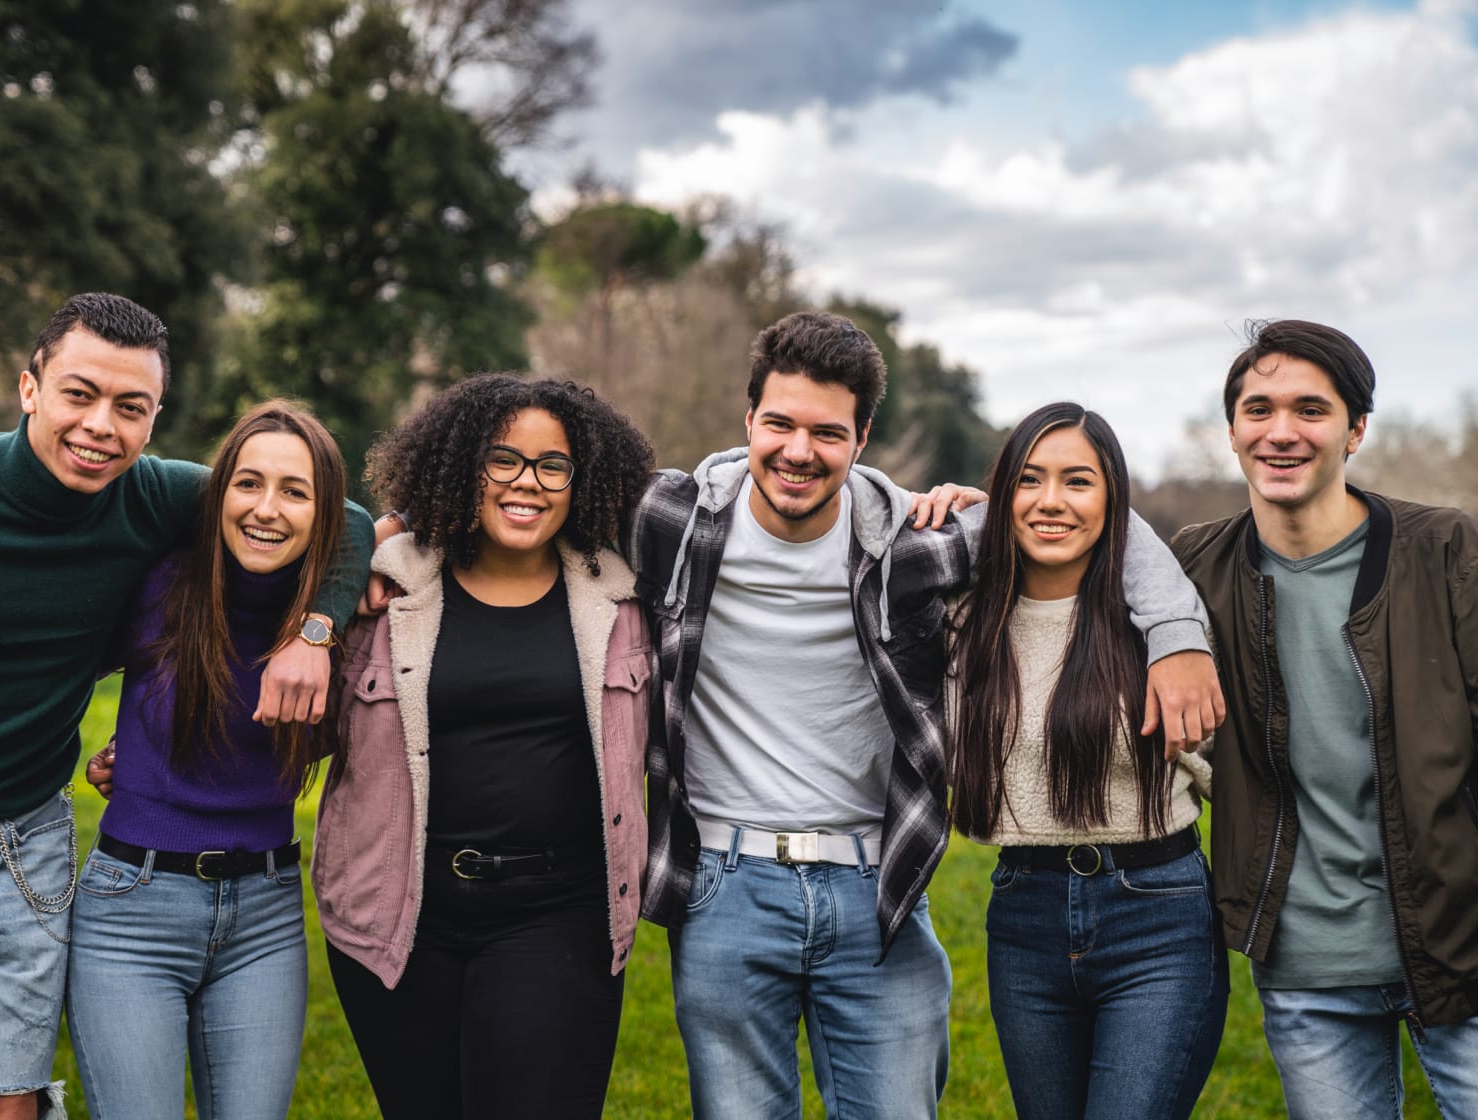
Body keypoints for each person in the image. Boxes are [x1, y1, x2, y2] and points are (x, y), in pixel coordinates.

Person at [627, 310, 1224, 1117]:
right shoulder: (671, 521)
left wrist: (1179, 633)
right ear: (749, 420)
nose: (799, 451)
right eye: (780, 423)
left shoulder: (916, 538)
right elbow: (526, 506)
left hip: (879, 887)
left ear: (862, 437)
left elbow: (1097, 520)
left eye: (827, 432)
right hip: (725, 884)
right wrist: (401, 544)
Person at [0, 293, 370, 1120]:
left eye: (130, 407)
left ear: (154, 418)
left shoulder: (160, 498)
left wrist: (316, 631)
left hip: (16, 844)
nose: (101, 425)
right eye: (80, 393)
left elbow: (341, 516)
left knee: (4, 1110)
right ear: (29, 386)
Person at [313, 374, 656, 1120]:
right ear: (462, 467)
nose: (526, 483)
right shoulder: (383, 589)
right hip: (399, 912)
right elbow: (293, 724)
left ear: (581, 480)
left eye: (551, 465)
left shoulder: (626, 601)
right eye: (502, 460)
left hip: (557, 913)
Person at [1171, 320, 1478, 1119]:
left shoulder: (1447, 551)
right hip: (1307, 964)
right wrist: (964, 509)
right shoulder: (1193, 568)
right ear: (1232, 431)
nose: (1281, 431)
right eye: (1258, 408)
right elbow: (1061, 545)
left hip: (1460, 943)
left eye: (1311, 409)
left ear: (1355, 431)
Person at [65, 401, 346, 1118]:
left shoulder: (339, 618)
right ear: (217, 494)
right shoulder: (159, 584)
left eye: (295, 491)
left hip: (267, 915)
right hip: (132, 908)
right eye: (248, 484)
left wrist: (316, 633)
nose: (267, 509)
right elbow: (44, 665)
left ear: (324, 514)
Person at [948, 402, 1227, 1120]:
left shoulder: (1160, 629)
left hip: (1158, 915)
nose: (1050, 501)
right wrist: (957, 513)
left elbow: (1224, 763)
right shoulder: (962, 621)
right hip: (1023, 914)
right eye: (1029, 480)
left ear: (1113, 501)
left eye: (1078, 481)